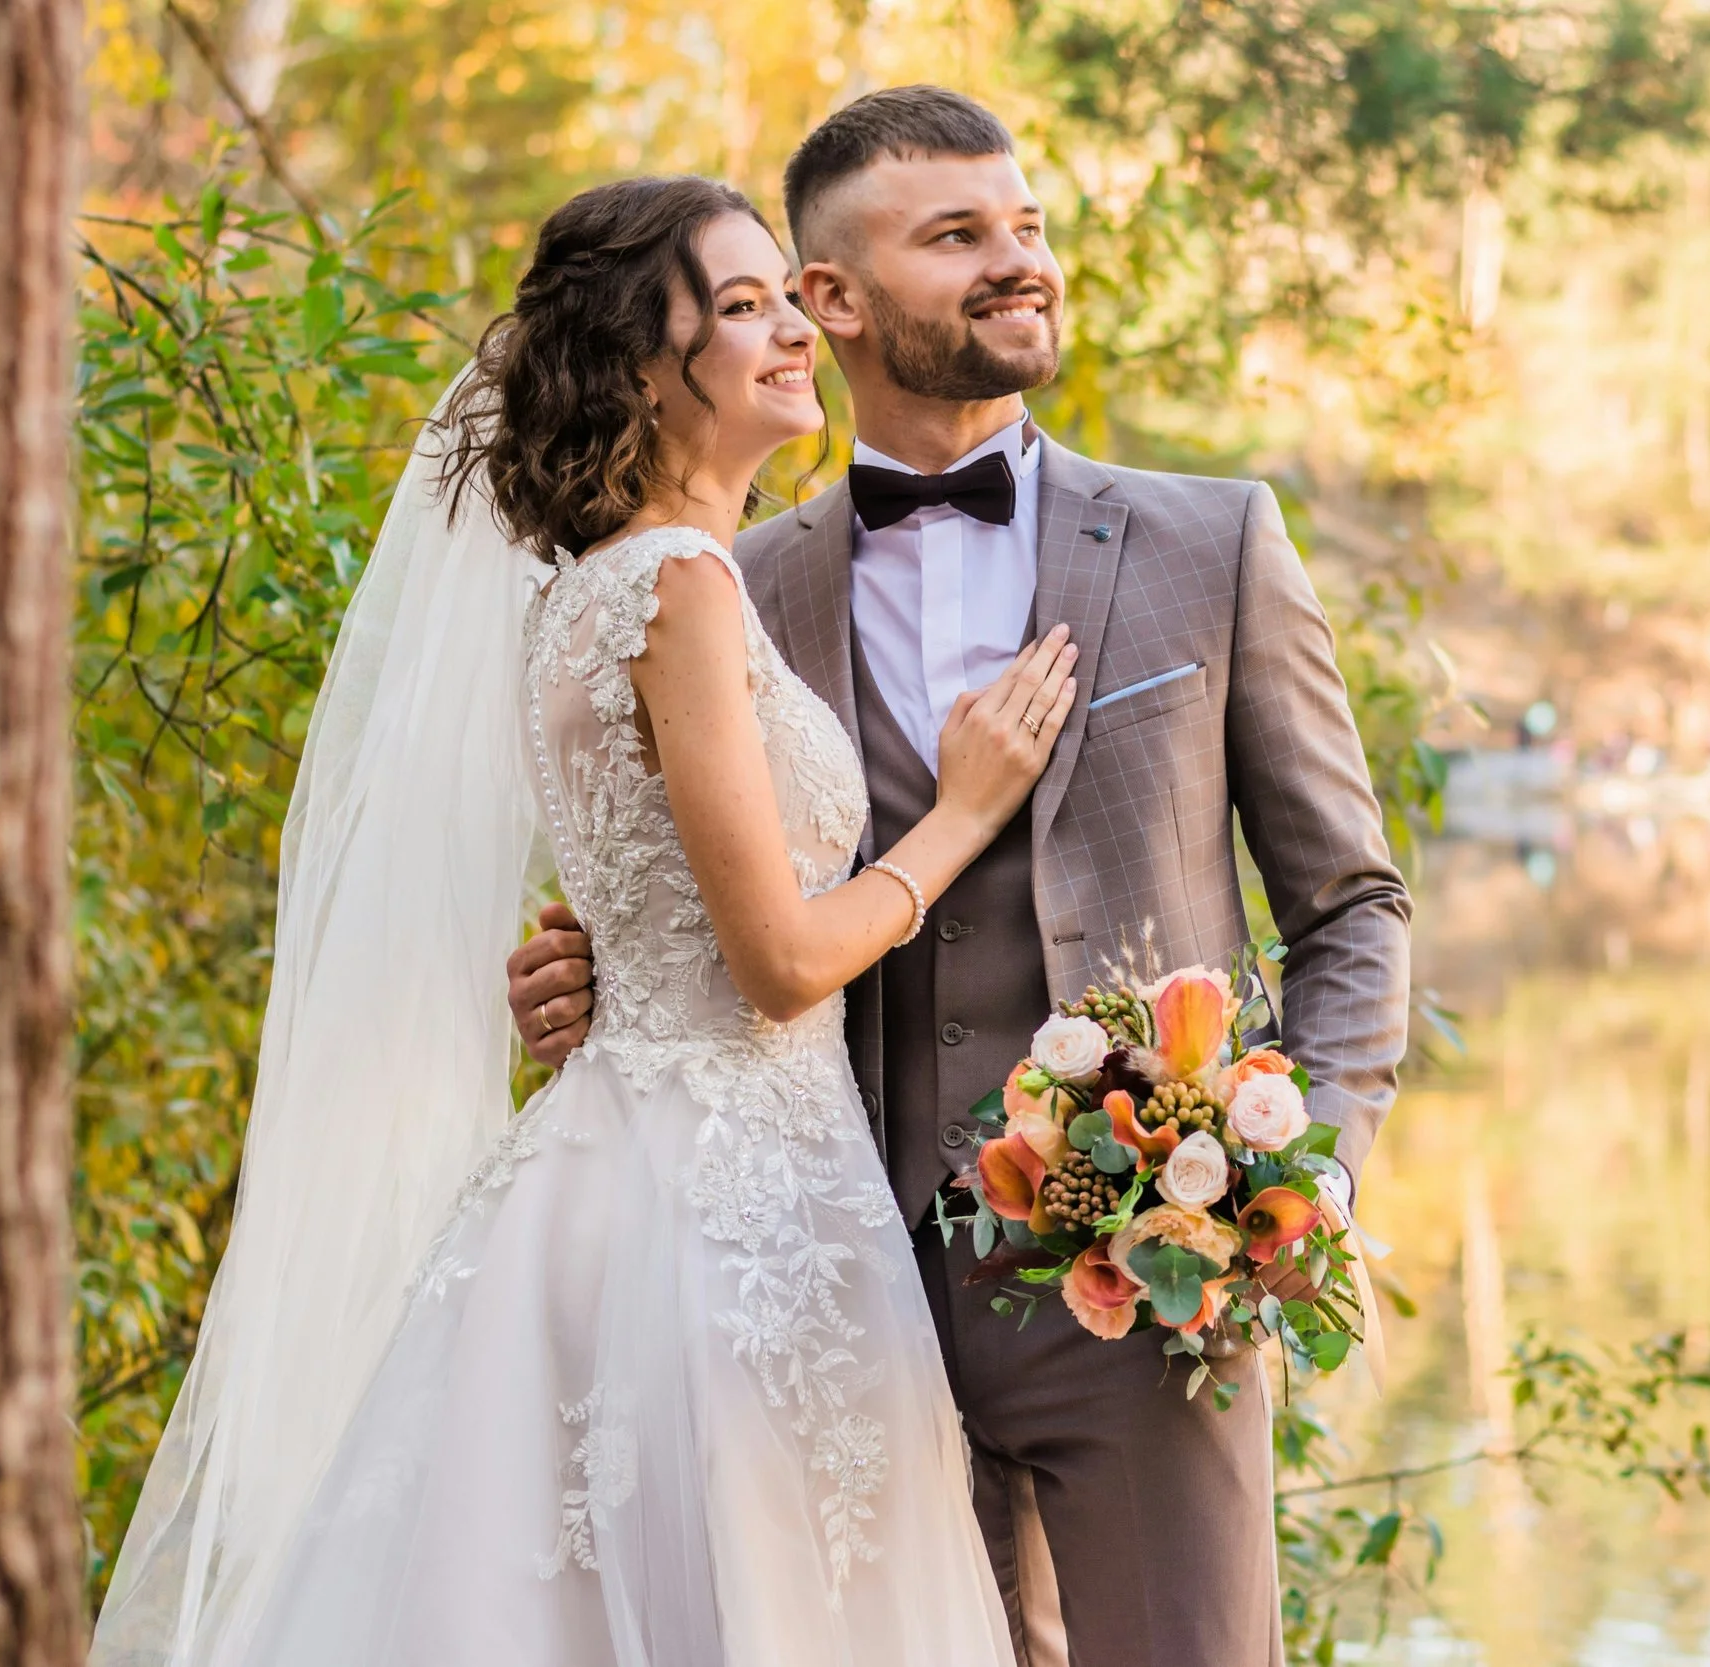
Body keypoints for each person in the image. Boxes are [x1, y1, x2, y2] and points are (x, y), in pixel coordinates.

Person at [90, 176, 1067, 1665]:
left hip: (647, 1162)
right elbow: (776, 965)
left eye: (782, 296)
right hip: (726, 1203)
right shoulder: (678, 585)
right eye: (739, 307)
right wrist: (964, 810)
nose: (791, 330)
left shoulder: (596, 592)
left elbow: (655, 897)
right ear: (635, 366)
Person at [510, 87, 1412, 1667]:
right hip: (824, 1292)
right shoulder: (729, 573)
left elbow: (1351, 907)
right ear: (831, 301)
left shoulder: (1215, 545)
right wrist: (589, 968)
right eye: (958, 237)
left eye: (1028, 227)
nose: (1018, 263)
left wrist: (1301, 1177)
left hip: (1142, 1290)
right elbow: (704, 878)